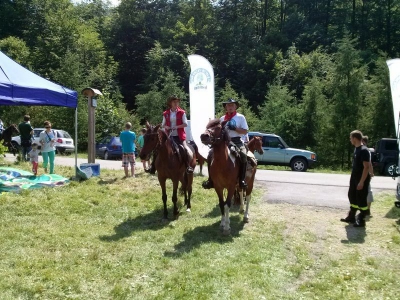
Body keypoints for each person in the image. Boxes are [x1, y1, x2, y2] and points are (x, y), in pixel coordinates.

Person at [202, 98, 249, 189]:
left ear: (235, 107)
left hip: (236, 141)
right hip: (224, 142)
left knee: (243, 154)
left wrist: (235, 128)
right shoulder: (222, 118)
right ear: (225, 108)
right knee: (210, 155)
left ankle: (241, 180)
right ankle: (210, 180)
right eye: (228, 105)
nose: (230, 107)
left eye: (232, 105)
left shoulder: (240, 117)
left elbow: (245, 131)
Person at [341, 130, 371, 227]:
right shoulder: (356, 149)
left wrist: (361, 182)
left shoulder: (364, 150)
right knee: (352, 195)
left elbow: (366, 167)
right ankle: (351, 217)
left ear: (354, 138)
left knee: (361, 199)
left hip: (361, 179)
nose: (350, 140)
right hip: (354, 177)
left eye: (350, 138)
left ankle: (361, 220)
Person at [161, 95, 194, 174]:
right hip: (169, 136)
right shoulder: (166, 113)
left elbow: (185, 124)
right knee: (159, 148)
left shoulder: (182, 112)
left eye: (177, 102)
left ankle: (187, 166)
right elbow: (162, 125)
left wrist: (177, 127)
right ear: (171, 103)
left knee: (185, 149)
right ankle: (153, 166)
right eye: (174, 102)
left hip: (179, 136)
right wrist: (167, 127)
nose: (176, 103)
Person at [362, 135, 375, 217]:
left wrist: (371, 173)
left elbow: (369, 164)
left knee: (368, 191)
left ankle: (368, 210)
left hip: (365, 174)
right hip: (362, 173)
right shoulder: (361, 150)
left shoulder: (366, 151)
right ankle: (365, 209)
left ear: (364, 142)